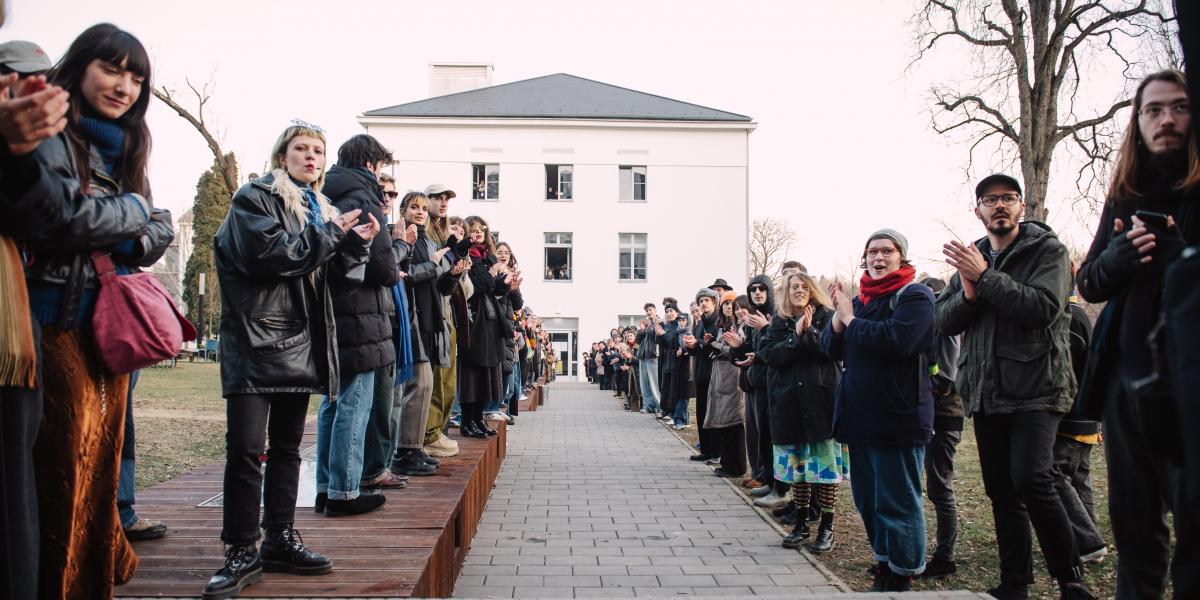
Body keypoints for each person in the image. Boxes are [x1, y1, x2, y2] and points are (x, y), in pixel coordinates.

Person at [22, 25, 174, 599]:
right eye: (113, 70)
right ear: (81, 66)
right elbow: (62, 221)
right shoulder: (50, 133)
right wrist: (133, 212)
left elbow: (156, 229)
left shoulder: (129, 145)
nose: (125, 86)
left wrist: (130, 223)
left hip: (107, 327)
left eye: (136, 78)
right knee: (63, 469)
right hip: (53, 318)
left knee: (101, 468)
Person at [208, 122, 378, 598]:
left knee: (286, 449)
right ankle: (241, 548)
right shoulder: (255, 198)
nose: (311, 157)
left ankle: (279, 537)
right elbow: (278, 257)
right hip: (256, 339)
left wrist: (358, 244)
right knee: (245, 450)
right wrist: (331, 234)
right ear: (282, 156)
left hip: (302, 343)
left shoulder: (322, 207)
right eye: (301, 148)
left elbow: (339, 282)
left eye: (318, 151)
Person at [936, 175, 1092, 600]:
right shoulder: (974, 256)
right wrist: (968, 294)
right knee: (1001, 490)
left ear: (1022, 206)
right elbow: (943, 321)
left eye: (1008, 198)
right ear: (978, 210)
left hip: (1038, 387)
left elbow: (1042, 308)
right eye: (991, 199)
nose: (999, 205)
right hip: (986, 390)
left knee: (1033, 478)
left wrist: (984, 280)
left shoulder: (1049, 252)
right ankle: (1015, 583)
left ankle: (1070, 580)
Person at [1076, 69, 1199, 599]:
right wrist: (1120, 259)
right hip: (1127, 385)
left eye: (1178, 107)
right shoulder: (1125, 195)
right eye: (1153, 110)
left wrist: (1183, 260)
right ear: (1138, 122)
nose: (1166, 119)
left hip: (1190, 386)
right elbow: (1088, 281)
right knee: (1135, 530)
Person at [821, 229, 935, 592]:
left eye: (887, 251)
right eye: (872, 252)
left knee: (897, 501)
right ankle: (884, 561)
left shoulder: (915, 296)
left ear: (902, 257)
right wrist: (839, 319)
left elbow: (896, 340)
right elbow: (830, 349)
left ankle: (902, 572)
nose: (878, 258)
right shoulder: (861, 301)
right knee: (868, 501)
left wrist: (850, 320)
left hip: (897, 419)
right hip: (860, 420)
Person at [0, 36, 71, 600]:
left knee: (15, 490)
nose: (28, 92)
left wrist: (19, 152)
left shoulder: (38, 146)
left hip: (13, 334)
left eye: (40, 81)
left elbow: (49, 215)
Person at [315, 134, 400, 515]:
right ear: (370, 164)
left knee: (332, 403)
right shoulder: (365, 199)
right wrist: (396, 252)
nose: (382, 178)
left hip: (332, 309)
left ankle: (325, 485)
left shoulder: (327, 193)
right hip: (360, 312)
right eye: (381, 168)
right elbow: (383, 267)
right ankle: (345, 492)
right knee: (355, 404)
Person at [759, 272, 842, 552]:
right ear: (787, 291)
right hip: (789, 405)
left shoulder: (827, 316)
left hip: (820, 404)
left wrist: (809, 332)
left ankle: (827, 528)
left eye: (804, 287)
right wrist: (795, 335)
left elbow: (830, 351)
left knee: (825, 472)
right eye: (794, 287)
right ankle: (802, 524)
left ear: (813, 290)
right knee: (799, 472)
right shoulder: (779, 322)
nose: (799, 291)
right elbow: (770, 356)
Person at [390, 192, 464, 476]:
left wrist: (454, 273)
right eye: (414, 207)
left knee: (426, 386)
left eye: (423, 208)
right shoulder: (396, 235)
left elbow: (440, 288)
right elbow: (403, 275)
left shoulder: (429, 242)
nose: (420, 212)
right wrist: (433, 265)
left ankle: (415, 447)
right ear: (403, 210)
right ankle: (405, 451)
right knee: (418, 386)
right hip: (409, 320)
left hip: (430, 321)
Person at [359, 172, 413, 488]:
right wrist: (403, 247)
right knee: (373, 407)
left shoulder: (392, 230)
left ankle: (382, 465)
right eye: (385, 192)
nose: (388, 198)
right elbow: (386, 269)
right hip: (373, 323)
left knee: (389, 404)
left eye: (393, 193)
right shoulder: (379, 227)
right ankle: (370, 472)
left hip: (390, 322)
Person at [1053, 289, 1106, 564]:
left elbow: (1065, 369)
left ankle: (1088, 541)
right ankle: (1092, 542)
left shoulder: (1070, 318)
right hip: (1085, 416)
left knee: (1054, 474)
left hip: (1071, 416)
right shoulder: (1080, 315)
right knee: (1079, 479)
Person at [422, 183, 463, 458]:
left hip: (447, 312)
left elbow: (446, 283)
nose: (443, 202)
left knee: (447, 379)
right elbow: (428, 276)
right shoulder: (425, 234)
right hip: (432, 313)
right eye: (437, 197)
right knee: (436, 378)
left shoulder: (443, 234)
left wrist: (457, 271)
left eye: (446, 197)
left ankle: (436, 432)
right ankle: (428, 435)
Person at [459, 215, 508, 438]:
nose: (478, 233)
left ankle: (478, 419)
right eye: (474, 230)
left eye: (481, 230)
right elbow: (477, 286)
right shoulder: (468, 255)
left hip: (489, 319)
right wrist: (492, 275)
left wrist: (505, 284)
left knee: (485, 375)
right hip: (474, 319)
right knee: (472, 374)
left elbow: (492, 288)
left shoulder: (487, 255)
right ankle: (467, 421)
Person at [706, 291, 748, 478]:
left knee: (734, 423)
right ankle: (727, 462)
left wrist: (717, 347)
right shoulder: (724, 325)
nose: (731, 308)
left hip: (733, 376)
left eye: (735, 305)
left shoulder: (742, 327)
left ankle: (736, 466)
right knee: (724, 422)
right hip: (721, 377)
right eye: (728, 304)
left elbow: (737, 349)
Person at [683, 287, 721, 460]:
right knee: (701, 413)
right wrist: (690, 346)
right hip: (701, 373)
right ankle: (706, 449)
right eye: (701, 301)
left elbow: (714, 347)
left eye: (706, 301)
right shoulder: (699, 324)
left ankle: (716, 451)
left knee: (713, 414)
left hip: (714, 373)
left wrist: (697, 344)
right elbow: (697, 350)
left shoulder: (718, 322)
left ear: (714, 302)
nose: (703, 304)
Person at [635, 302, 662, 414]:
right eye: (647, 310)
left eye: (650, 310)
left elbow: (656, 337)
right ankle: (648, 406)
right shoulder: (645, 324)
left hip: (653, 356)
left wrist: (649, 327)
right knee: (644, 383)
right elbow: (638, 340)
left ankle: (659, 406)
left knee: (654, 383)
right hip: (643, 356)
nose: (648, 312)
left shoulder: (659, 322)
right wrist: (641, 330)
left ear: (655, 310)